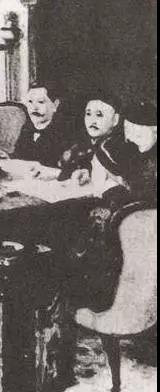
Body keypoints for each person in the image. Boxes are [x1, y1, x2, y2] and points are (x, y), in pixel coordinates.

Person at [70, 100, 157, 311]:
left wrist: (112, 186)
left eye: (140, 134)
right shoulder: (127, 151)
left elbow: (138, 189)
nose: (132, 139)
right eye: (129, 132)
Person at [58, 90, 126, 188]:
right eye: (88, 114)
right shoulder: (84, 144)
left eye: (99, 115)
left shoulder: (117, 149)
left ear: (115, 120)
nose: (92, 120)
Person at [11, 81, 75, 168]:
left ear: (55, 105)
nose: (34, 108)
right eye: (30, 102)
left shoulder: (62, 132)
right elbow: (19, 155)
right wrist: (8, 156)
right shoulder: (27, 128)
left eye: (41, 102)